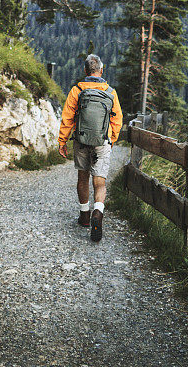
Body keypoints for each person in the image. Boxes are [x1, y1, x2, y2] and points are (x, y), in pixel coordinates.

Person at [58, 54, 123, 242]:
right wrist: (111, 139)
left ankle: (85, 215)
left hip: (81, 140)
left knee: (82, 178)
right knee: (100, 182)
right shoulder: (111, 92)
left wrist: (62, 141)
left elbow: (68, 118)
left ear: (85, 71)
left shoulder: (77, 90)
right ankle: (98, 213)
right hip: (102, 141)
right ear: (101, 71)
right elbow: (117, 120)